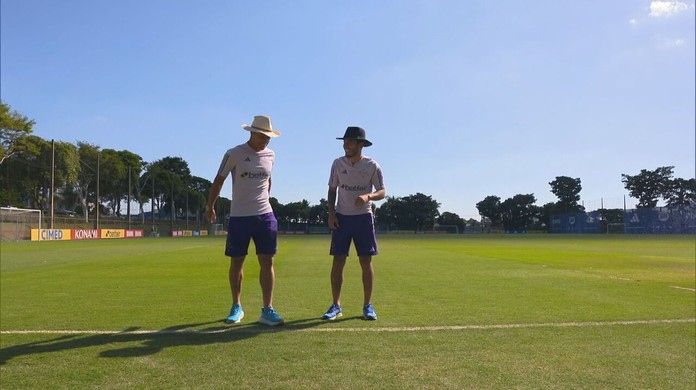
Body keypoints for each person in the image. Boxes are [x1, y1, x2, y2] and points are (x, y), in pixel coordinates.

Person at [204, 115, 284, 326]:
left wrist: (265, 198)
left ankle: (267, 309)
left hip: (265, 215)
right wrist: (210, 206)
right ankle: (236, 306)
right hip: (240, 216)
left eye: (268, 137)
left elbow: (268, 180)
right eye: (262, 136)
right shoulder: (234, 154)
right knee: (237, 261)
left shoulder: (271, 155)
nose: (266, 140)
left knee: (267, 262)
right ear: (251, 133)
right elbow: (219, 180)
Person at [322, 126, 386, 321]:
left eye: (349, 141)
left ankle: (368, 305)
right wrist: (331, 213)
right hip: (342, 217)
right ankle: (336, 305)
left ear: (360, 144)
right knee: (338, 261)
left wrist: (368, 196)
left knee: (365, 261)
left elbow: (382, 191)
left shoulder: (372, 165)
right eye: (344, 141)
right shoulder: (337, 163)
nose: (345, 144)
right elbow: (332, 190)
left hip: (363, 218)